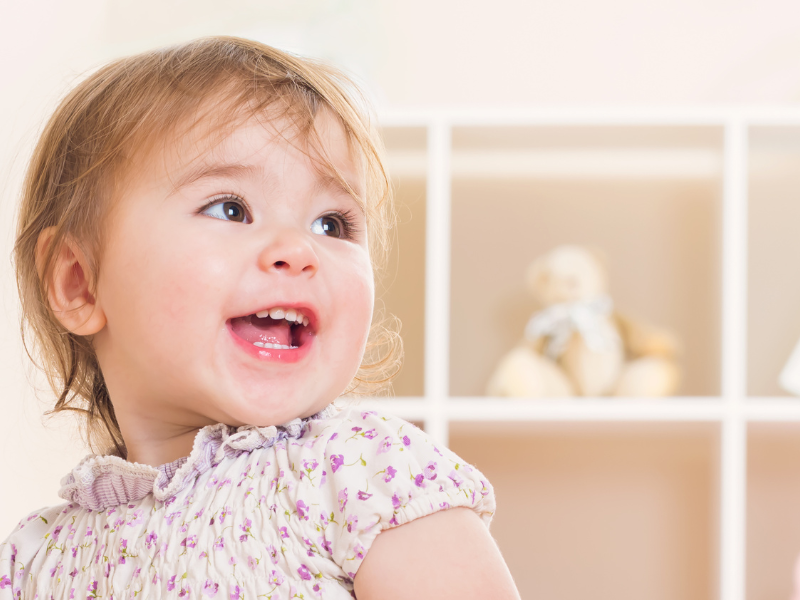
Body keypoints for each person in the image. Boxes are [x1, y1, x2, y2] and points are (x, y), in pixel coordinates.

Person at [0, 37, 520, 599]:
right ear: (79, 281)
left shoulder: (363, 475)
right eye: (231, 208)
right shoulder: (40, 558)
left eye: (333, 224)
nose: (299, 250)